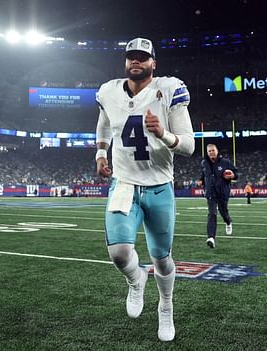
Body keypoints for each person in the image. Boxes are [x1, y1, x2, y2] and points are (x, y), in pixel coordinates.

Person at [95, 37, 194, 342]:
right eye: (131, 57)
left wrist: (162, 133)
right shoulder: (109, 91)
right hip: (124, 183)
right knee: (120, 255)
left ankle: (166, 305)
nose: (135, 61)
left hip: (159, 186)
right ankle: (136, 280)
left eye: (142, 57)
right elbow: (103, 123)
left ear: (153, 63)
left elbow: (189, 146)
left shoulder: (168, 90)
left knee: (161, 258)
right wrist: (100, 152)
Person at [198, 144, 237, 248]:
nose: (211, 152)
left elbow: (236, 174)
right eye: (209, 151)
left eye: (212, 150)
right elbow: (204, 174)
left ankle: (228, 222)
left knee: (223, 211)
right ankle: (211, 237)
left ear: (217, 150)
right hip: (210, 192)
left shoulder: (226, 162)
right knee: (212, 213)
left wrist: (233, 175)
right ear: (207, 153)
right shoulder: (204, 163)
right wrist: (200, 180)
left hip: (222, 192)